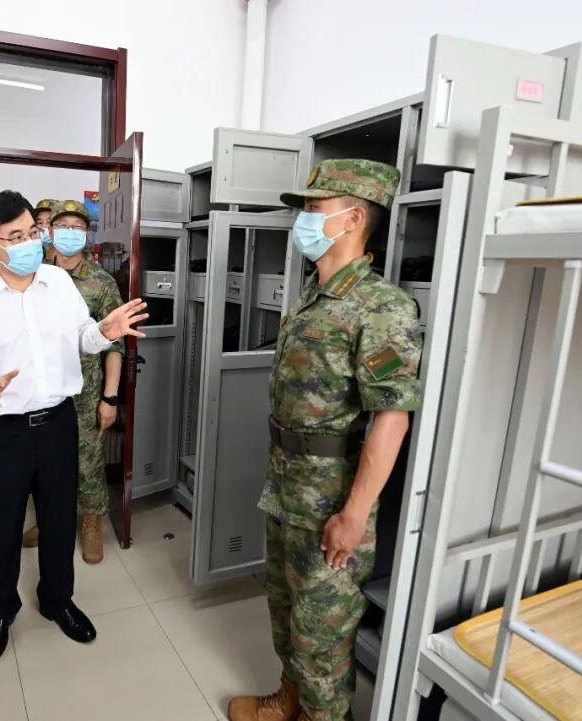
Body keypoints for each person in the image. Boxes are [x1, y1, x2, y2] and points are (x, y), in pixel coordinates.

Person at [228, 160, 421, 721]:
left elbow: (392, 419)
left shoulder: (382, 307)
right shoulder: (315, 293)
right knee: (286, 607)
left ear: (353, 218)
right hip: (287, 485)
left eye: (314, 208)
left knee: (323, 634)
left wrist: (354, 514)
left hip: (332, 496)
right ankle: (289, 699)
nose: (304, 220)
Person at [0, 190, 147, 663]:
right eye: (15, 237)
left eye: (33, 232)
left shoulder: (58, 282)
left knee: (58, 521)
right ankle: (0, 611)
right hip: (4, 432)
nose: (30, 243)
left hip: (59, 423)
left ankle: (58, 600)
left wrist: (105, 332)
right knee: (4, 527)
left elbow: (83, 338)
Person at [21, 200, 122, 564]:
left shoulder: (101, 282)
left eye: (77, 227)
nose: (69, 233)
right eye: (62, 226)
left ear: (87, 233)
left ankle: (91, 522)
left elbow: (115, 344)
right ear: (49, 231)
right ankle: (48, 520)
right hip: (43, 388)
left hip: (85, 390)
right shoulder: (35, 274)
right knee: (45, 461)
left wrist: (109, 398)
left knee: (87, 460)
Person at [32, 197, 60, 264]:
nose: (44, 227)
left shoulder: (71, 261)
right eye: (40, 223)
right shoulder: (34, 259)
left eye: (49, 222)